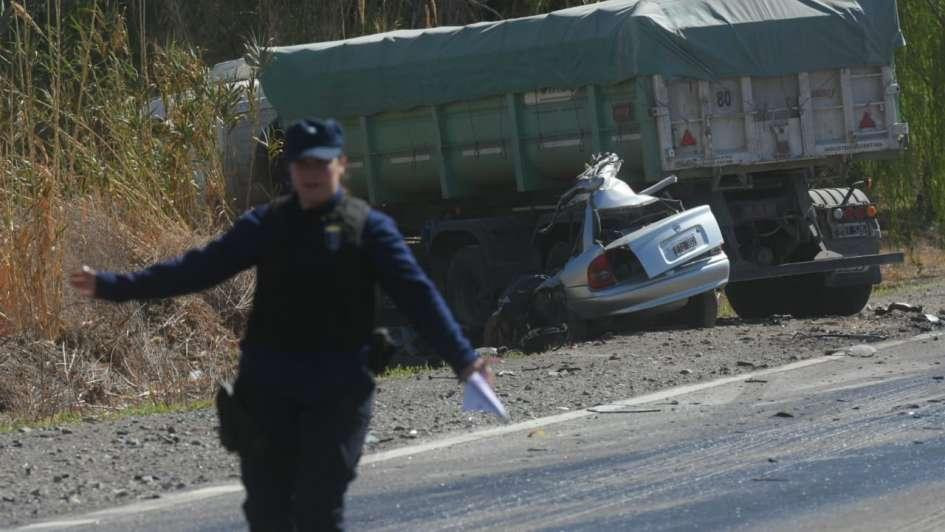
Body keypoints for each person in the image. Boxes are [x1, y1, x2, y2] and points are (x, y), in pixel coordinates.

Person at [69, 117, 491, 531]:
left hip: (338, 393)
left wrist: (464, 360)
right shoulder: (266, 226)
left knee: (316, 512)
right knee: (267, 515)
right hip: (269, 393)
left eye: (321, 164)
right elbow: (196, 270)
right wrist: (113, 286)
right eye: (302, 164)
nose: (311, 174)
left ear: (341, 165)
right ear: (289, 168)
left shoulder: (368, 230)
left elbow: (419, 297)